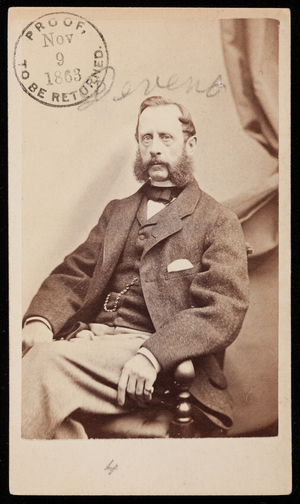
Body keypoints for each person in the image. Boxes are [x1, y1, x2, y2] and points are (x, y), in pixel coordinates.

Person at [21, 96, 249, 439]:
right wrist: (40, 320)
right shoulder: (118, 211)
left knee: (45, 365)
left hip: (157, 355)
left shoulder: (218, 221)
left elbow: (223, 309)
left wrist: (154, 355)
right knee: (31, 355)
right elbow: (76, 272)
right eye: (146, 138)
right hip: (91, 343)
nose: (154, 148)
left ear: (191, 144)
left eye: (165, 138)